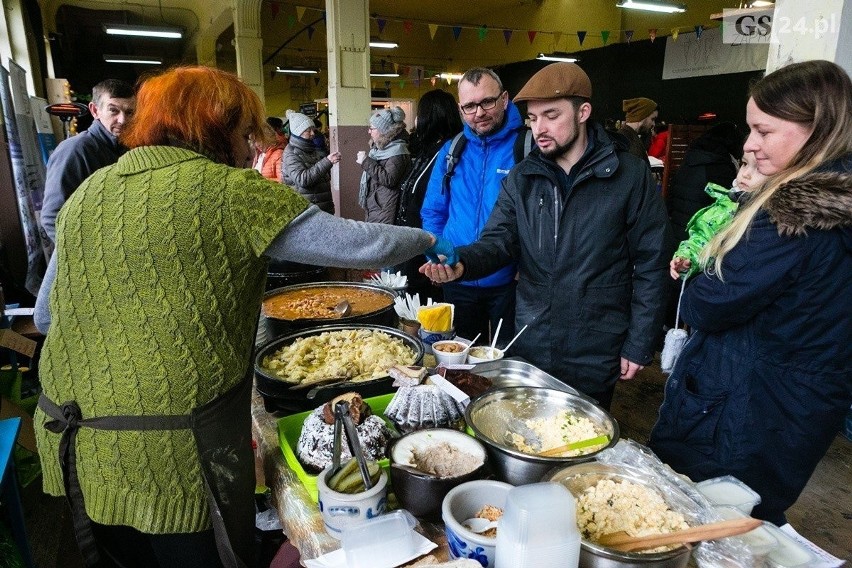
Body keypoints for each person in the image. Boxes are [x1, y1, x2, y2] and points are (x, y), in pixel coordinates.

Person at [32, 65, 453, 568]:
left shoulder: (89, 192)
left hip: (72, 440)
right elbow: (363, 243)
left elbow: (44, 318)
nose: (252, 144)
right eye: (244, 130)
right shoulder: (231, 191)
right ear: (214, 126)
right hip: (171, 457)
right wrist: (430, 238)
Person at [649, 60, 852, 526]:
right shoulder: (832, 200)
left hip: (746, 411)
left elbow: (708, 302)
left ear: (817, 128)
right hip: (793, 408)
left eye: (764, 130)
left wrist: (698, 274)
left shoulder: (794, 212)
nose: (749, 145)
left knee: (704, 525)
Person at [422, 62, 671, 410]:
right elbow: (498, 241)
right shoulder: (523, 177)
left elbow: (651, 263)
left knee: (584, 436)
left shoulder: (629, 176)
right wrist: (461, 261)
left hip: (597, 341)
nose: (539, 128)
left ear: (583, 112)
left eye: (551, 115)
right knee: (532, 426)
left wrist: (640, 341)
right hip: (533, 337)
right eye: (532, 118)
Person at [420, 67, 523, 343]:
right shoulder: (453, 150)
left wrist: (527, 267)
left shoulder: (526, 149)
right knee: (463, 358)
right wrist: (437, 256)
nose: (479, 112)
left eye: (487, 102)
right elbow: (434, 210)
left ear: (504, 99)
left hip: (509, 282)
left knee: (506, 359)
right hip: (459, 276)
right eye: (469, 106)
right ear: (460, 108)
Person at [40, 78, 135, 242]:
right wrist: (86, 257)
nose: (122, 120)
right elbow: (52, 218)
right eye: (114, 111)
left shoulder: (126, 149)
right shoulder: (75, 150)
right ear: (95, 110)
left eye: (129, 113)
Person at [394, 89, 464, 302]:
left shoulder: (450, 153)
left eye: (420, 113)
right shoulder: (426, 150)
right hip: (414, 244)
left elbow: (439, 208)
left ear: (430, 116)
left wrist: (437, 257)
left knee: (427, 308)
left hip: (429, 248)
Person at [670, 151, 766, 280]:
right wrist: (687, 258)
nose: (745, 174)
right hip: (719, 283)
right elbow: (702, 239)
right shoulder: (727, 206)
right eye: (744, 164)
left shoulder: (770, 216)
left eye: (759, 169)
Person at [665, 122, 744, 244]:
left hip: (677, 235)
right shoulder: (719, 167)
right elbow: (727, 208)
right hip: (700, 240)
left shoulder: (689, 160)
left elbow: (671, 200)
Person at [357, 106, 411, 224]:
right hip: (378, 204)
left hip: (386, 207)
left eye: (372, 128)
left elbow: (389, 180)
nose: (369, 131)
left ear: (383, 130)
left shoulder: (397, 151)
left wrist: (366, 161)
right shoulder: (380, 149)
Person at [281, 109, 340, 214]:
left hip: (319, 208)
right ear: (298, 132)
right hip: (306, 211)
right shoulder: (291, 153)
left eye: (313, 130)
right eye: (308, 130)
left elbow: (319, 174)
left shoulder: (311, 149)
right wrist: (327, 162)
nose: (313, 133)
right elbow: (302, 179)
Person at [257, 116, 287, 182]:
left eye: (259, 140)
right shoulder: (259, 154)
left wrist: (260, 180)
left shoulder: (279, 154)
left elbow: (282, 180)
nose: (256, 144)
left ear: (267, 138)